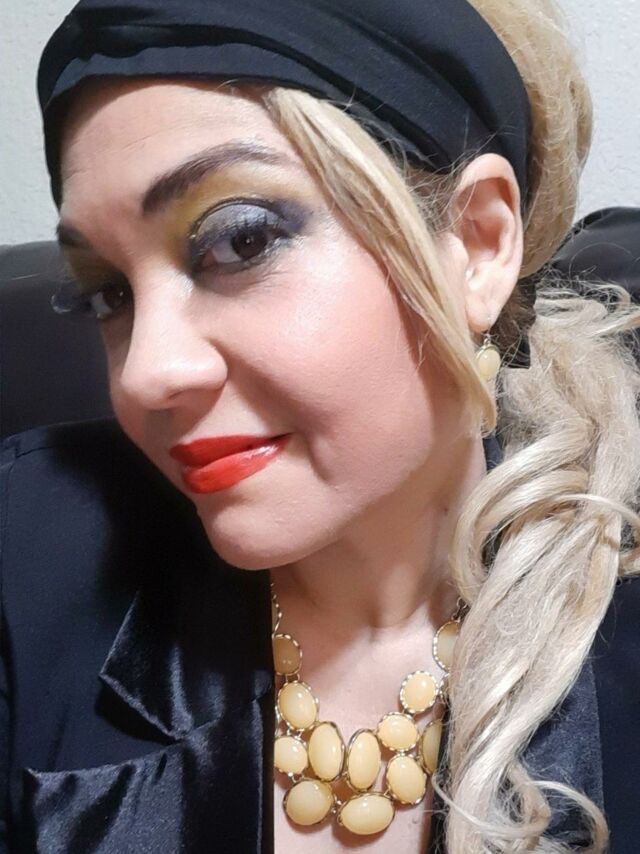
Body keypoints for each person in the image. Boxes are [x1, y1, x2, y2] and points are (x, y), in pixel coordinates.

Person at [2, 0, 640, 852]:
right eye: (108, 294)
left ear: (478, 243)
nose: (145, 373)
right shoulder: (28, 557)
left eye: (239, 242)